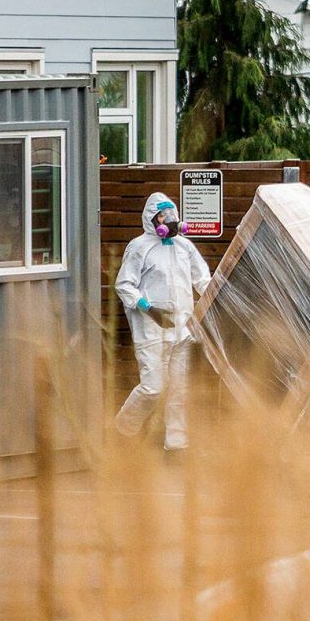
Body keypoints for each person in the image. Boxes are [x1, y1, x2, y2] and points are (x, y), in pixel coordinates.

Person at [114, 192, 211, 452]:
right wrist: (148, 308)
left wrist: (219, 300)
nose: (168, 219)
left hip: (182, 329)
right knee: (153, 388)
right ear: (152, 218)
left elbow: (203, 280)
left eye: (171, 214)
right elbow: (124, 285)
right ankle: (121, 431)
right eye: (162, 215)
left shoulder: (184, 246)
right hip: (151, 330)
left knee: (179, 390)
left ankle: (177, 445)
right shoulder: (139, 247)